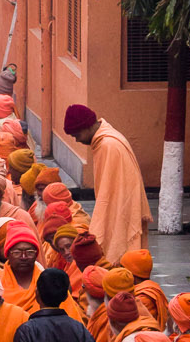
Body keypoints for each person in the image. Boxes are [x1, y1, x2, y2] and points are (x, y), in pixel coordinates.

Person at [63, 103, 151, 257]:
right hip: (123, 203)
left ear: (86, 127)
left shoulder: (107, 145)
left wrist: (97, 229)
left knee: (115, 253)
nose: (77, 141)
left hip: (121, 207)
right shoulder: (107, 138)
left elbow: (106, 196)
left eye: (77, 136)